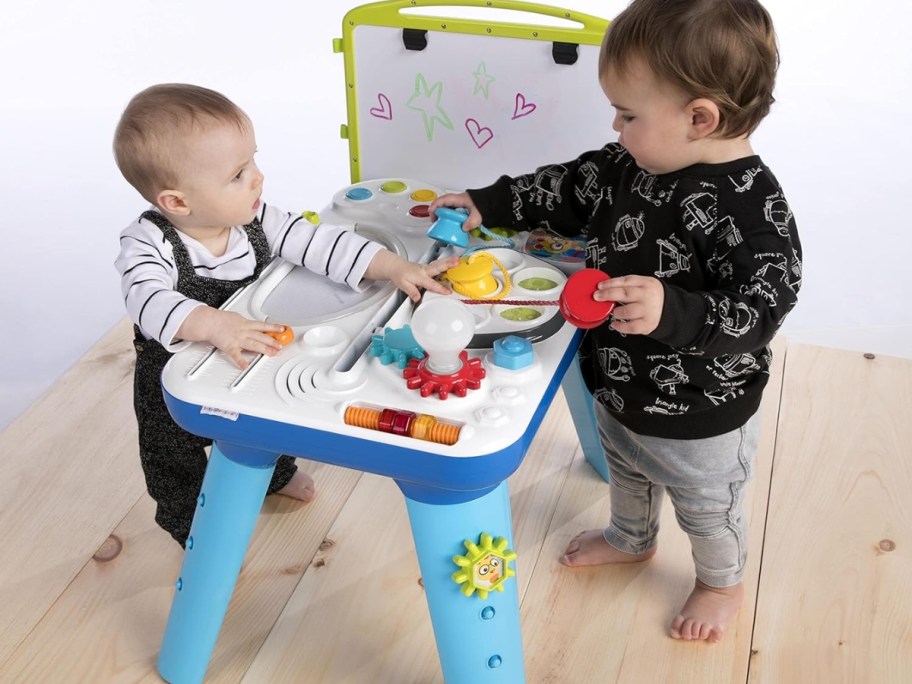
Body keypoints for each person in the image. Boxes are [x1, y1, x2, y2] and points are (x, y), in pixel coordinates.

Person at [430, 0, 802, 644]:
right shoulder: (628, 164)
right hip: (617, 380)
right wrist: (488, 203)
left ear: (700, 117)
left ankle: (721, 582)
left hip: (699, 413)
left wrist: (674, 308)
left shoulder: (752, 210)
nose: (615, 124)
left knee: (708, 510)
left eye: (629, 114)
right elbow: (566, 189)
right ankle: (631, 540)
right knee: (625, 470)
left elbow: (763, 307)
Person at [114, 83, 455, 547]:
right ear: (177, 202)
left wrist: (393, 267)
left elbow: (322, 243)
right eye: (237, 174)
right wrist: (215, 325)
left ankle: (274, 475)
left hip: (253, 350)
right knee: (172, 453)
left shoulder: (256, 218)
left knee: (264, 420)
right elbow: (145, 298)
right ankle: (187, 525)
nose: (257, 178)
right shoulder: (147, 242)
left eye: (253, 161)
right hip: (174, 369)